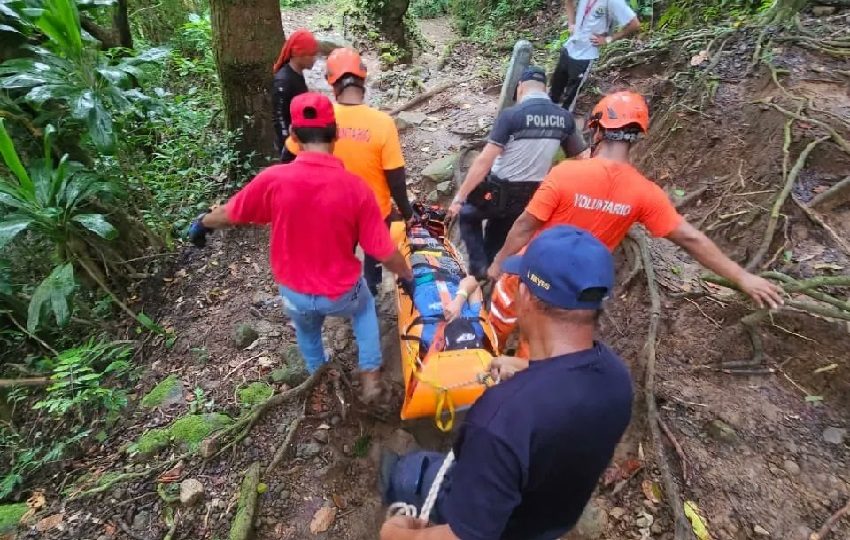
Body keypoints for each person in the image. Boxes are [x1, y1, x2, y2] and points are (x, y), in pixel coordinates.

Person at [379, 225, 633, 540]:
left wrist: (398, 536)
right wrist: (527, 368)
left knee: (405, 473)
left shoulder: (500, 418)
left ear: (524, 295)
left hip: (500, 525)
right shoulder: (617, 378)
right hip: (548, 520)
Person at [486, 91, 784, 356]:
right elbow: (691, 239)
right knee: (538, 357)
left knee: (492, 330)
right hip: (572, 295)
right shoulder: (644, 193)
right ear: (637, 137)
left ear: (597, 130)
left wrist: (499, 262)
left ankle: (480, 371)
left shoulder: (565, 174)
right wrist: (743, 278)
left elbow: (526, 224)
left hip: (528, 273)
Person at [188, 93, 413, 402]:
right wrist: (409, 276)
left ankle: (319, 380)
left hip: (294, 292)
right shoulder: (356, 189)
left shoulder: (274, 180)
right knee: (364, 309)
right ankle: (370, 375)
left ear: (294, 136)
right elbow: (384, 250)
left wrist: (202, 223)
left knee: (307, 332)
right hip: (341, 293)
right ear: (335, 133)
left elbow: (229, 214)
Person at [284, 48, 415, 296]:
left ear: (331, 82)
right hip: (375, 210)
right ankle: (371, 290)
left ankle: (339, 289)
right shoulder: (382, 123)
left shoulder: (320, 119)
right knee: (374, 251)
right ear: (363, 79)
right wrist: (406, 212)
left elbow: (288, 158)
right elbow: (395, 177)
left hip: (332, 209)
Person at [446, 66, 587, 278]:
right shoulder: (564, 118)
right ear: (546, 89)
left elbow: (484, 160)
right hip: (531, 196)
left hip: (498, 191)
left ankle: (477, 270)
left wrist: (459, 198)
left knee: (467, 215)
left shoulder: (512, 116)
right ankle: (488, 277)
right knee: (499, 231)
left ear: (520, 87)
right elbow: (582, 158)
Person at [550, 0, 640, 111]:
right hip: (571, 45)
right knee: (555, 88)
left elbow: (634, 23)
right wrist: (571, 23)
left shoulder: (614, 2)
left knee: (569, 97)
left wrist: (608, 39)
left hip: (586, 54)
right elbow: (568, 2)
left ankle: (563, 121)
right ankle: (547, 113)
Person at [272, 29, 318, 162]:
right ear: (299, 54)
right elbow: (279, 118)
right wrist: (287, 147)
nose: (314, 59)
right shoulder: (284, 80)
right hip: (291, 148)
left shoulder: (297, 74)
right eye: (311, 54)